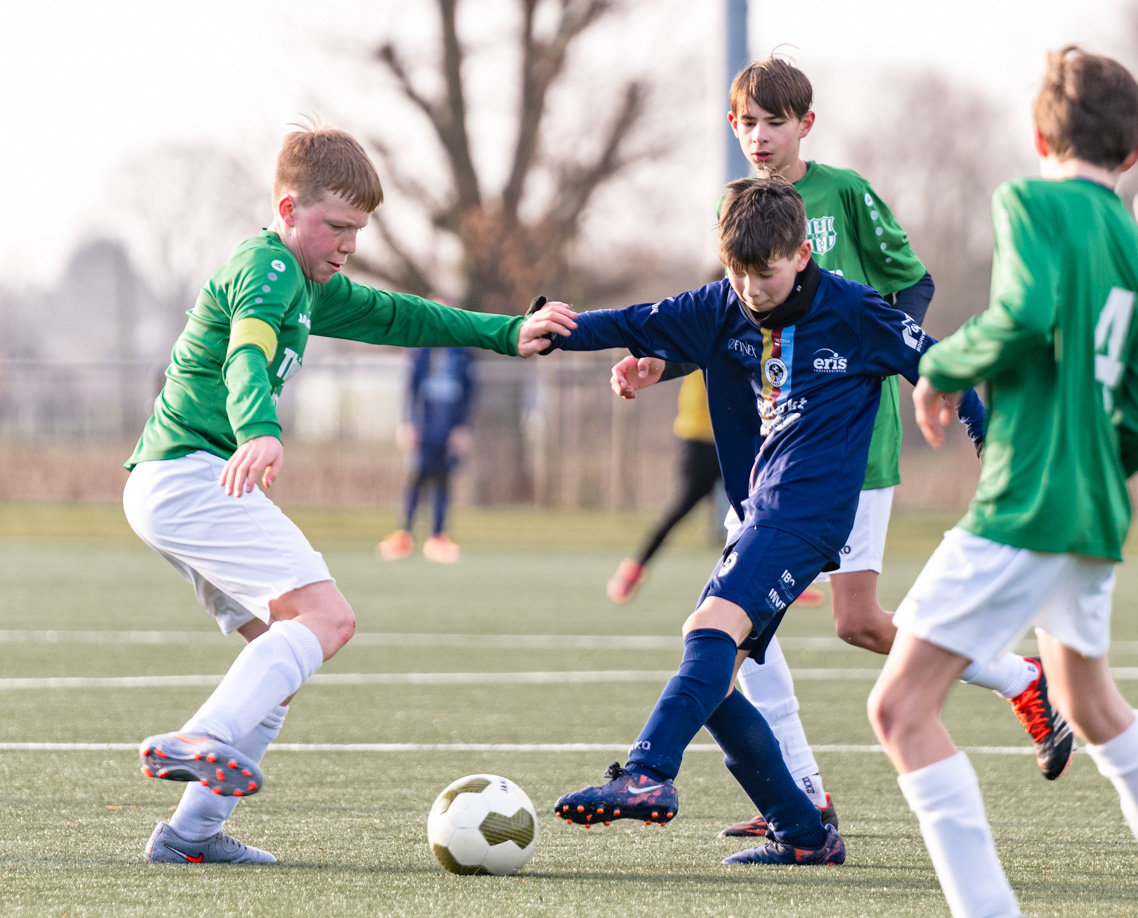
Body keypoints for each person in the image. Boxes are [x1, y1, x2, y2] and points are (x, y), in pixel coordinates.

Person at [865, 49, 1138, 918]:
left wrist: (940, 367)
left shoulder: (1030, 203)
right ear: (1135, 153)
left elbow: (1025, 311)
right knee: (1088, 701)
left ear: (1040, 139)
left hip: (1026, 502)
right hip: (1093, 510)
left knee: (901, 707)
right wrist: (1094, 472)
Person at [610, 55, 1073, 841]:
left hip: (851, 440)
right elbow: (735, 317)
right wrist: (664, 361)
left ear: (806, 126)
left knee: (855, 622)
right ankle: (803, 794)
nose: (761, 136)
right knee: (741, 632)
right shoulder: (737, 206)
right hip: (772, 451)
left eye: (775, 122)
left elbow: (912, 282)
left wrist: (888, 358)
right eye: (747, 123)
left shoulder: (847, 193)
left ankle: (1019, 678)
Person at [124, 124, 570, 865]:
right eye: (336, 226)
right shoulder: (269, 267)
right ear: (288, 209)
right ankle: (203, 735)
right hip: (193, 472)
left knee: (279, 659)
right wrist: (259, 428)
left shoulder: (307, 283)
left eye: (358, 230)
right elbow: (247, 352)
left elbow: (403, 317)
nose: (349, 244)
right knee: (329, 619)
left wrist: (505, 332)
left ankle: (190, 834)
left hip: (172, 482)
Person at [550, 177, 985, 865]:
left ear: (802, 255)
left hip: (809, 513)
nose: (751, 289)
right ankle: (804, 833)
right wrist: (549, 329)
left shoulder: (854, 310)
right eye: (738, 273)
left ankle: (648, 771)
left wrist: (988, 441)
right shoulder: (723, 303)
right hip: (764, 508)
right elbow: (631, 321)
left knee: (711, 629)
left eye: (766, 273)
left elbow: (941, 363)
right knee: (714, 666)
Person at [603, 370, 720, 602]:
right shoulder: (704, 347)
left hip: (738, 436)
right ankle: (634, 568)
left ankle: (778, 575)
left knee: (759, 507)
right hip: (700, 438)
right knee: (680, 507)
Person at [378, 345, 477, 564]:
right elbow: (411, 387)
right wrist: (408, 423)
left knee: (443, 480)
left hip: (448, 429)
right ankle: (404, 535)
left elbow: (469, 393)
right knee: (416, 478)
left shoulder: (463, 353)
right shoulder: (422, 351)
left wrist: (463, 427)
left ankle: (438, 537)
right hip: (423, 428)